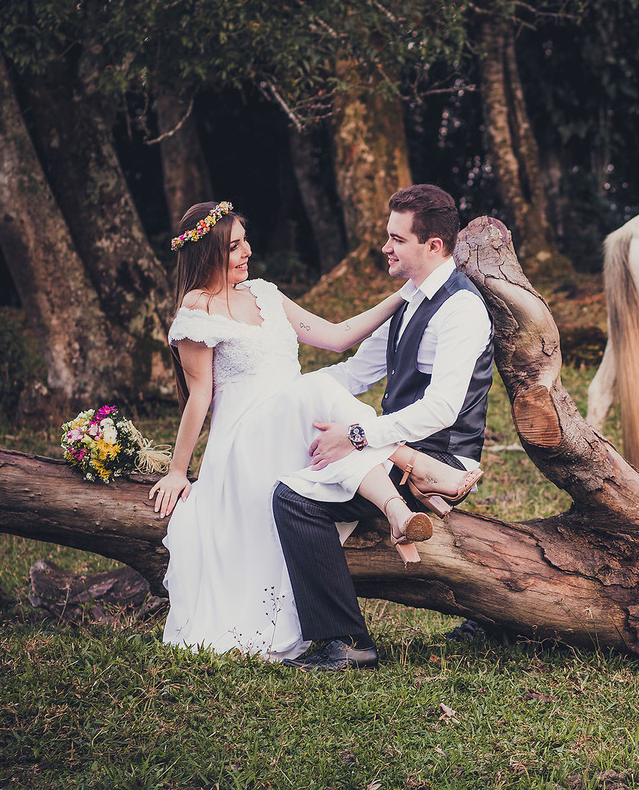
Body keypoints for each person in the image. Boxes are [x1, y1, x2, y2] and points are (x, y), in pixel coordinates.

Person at [150, 200, 480, 661]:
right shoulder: (196, 312)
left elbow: (338, 336)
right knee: (312, 390)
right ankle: (412, 466)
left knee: (313, 393)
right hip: (245, 441)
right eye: (233, 248)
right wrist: (178, 471)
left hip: (293, 430)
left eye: (245, 241)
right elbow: (199, 398)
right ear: (206, 254)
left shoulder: (264, 293)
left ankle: (397, 512)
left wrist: (409, 291)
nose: (247, 252)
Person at [273, 184, 494, 672]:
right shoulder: (411, 298)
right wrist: (281, 393)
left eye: (397, 238)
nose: (385, 247)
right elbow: (354, 373)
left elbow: (441, 410)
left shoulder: (462, 309)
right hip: (393, 448)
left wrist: (354, 437)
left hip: (439, 460)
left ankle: (346, 642)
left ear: (433, 246)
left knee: (294, 500)